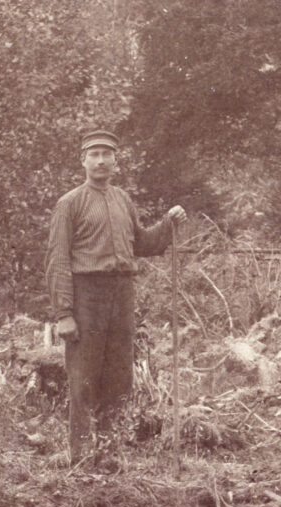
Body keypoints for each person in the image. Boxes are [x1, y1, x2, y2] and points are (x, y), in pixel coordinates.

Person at [45, 128, 188, 466]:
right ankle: (81, 454)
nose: (100, 161)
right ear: (83, 161)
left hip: (122, 293)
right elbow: (57, 259)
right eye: (94, 155)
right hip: (87, 294)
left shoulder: (123, 199)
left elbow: (142, 244)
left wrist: (168, 225)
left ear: (115, 161)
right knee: (83, 376)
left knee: (119, 376)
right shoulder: (69, 203)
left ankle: (109, 452)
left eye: (106, 154)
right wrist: (64, 313)